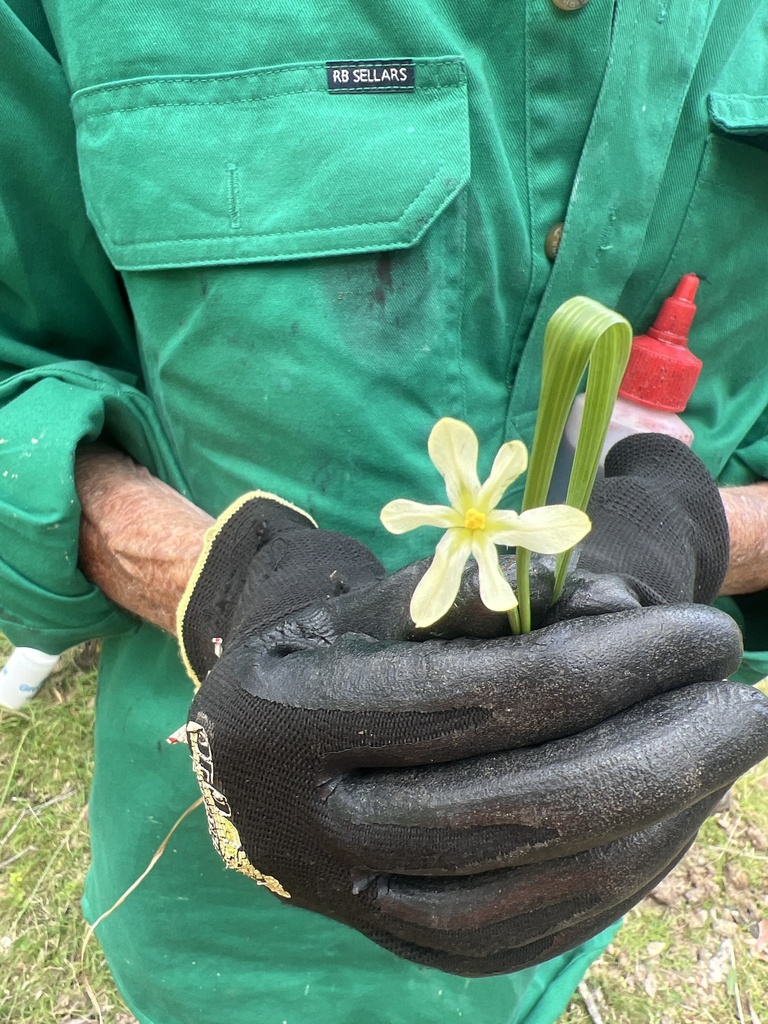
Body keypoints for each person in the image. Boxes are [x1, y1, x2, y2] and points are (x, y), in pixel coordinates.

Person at [2, 1, 768, 1022]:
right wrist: (216, 575)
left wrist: (692, 531)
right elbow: (23, 369)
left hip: (576, 879)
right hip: (221, 892)